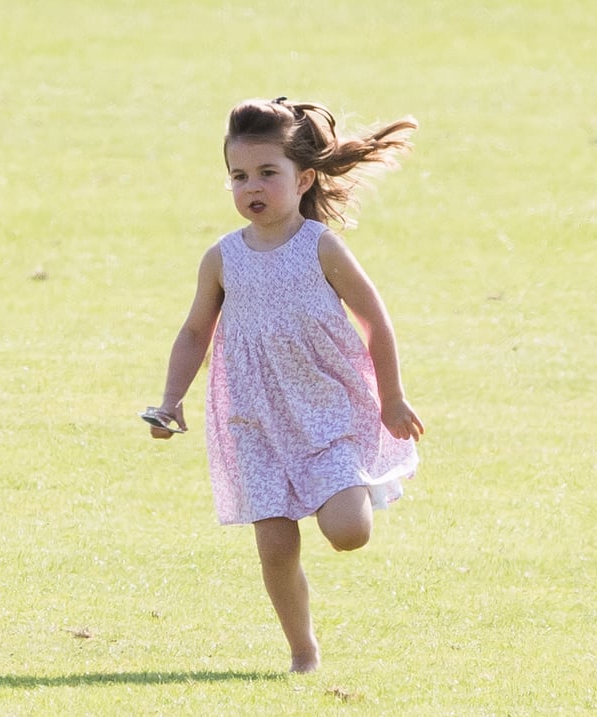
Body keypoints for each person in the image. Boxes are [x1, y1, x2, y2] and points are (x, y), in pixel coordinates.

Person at [145, 96, 424, 673]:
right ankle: (303, 651)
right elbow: (195, 331)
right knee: (274, 545)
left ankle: (349, 482)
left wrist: (392, 397)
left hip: (327, 410)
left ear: (305, 179)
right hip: (254, 419)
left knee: (348, 532)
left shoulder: (320, 246)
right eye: (239, 176)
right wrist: (170, 401)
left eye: (268, 173)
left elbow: (375, 319)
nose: (253, 187)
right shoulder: (222, 258)